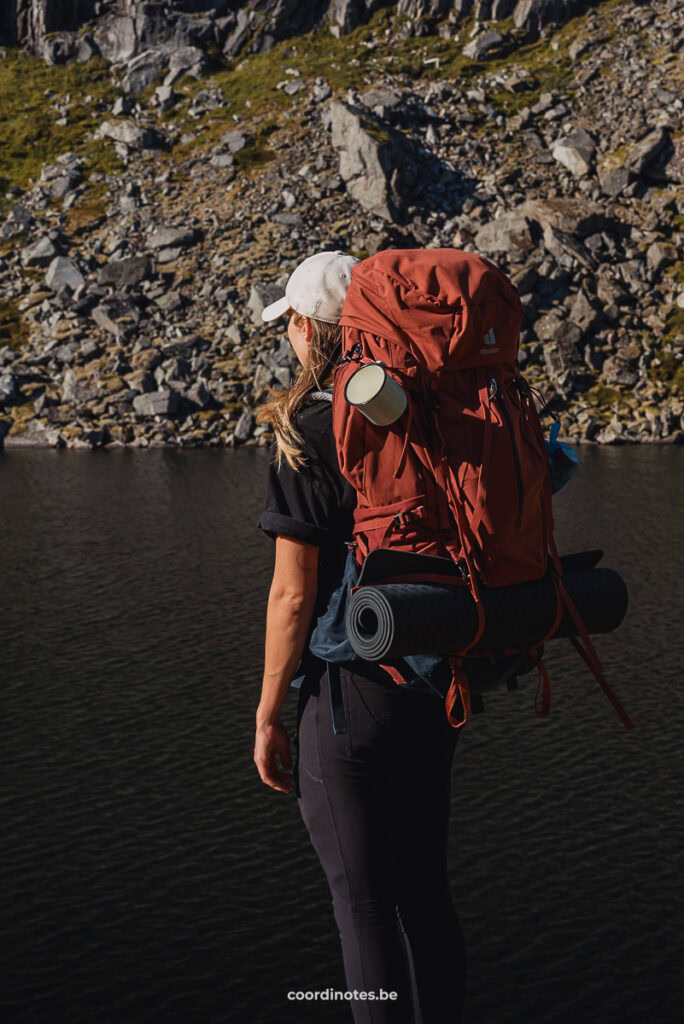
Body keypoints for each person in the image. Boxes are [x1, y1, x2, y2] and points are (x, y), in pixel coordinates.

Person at [253, 251, 467, 1024]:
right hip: (439, 670)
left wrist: (269, 711)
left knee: (362, 903)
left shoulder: (309, 425)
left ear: (308, 329)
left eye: (292, 329)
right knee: (424, 889)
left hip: (353, 693)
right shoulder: (430, 405)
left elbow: (292, 593)